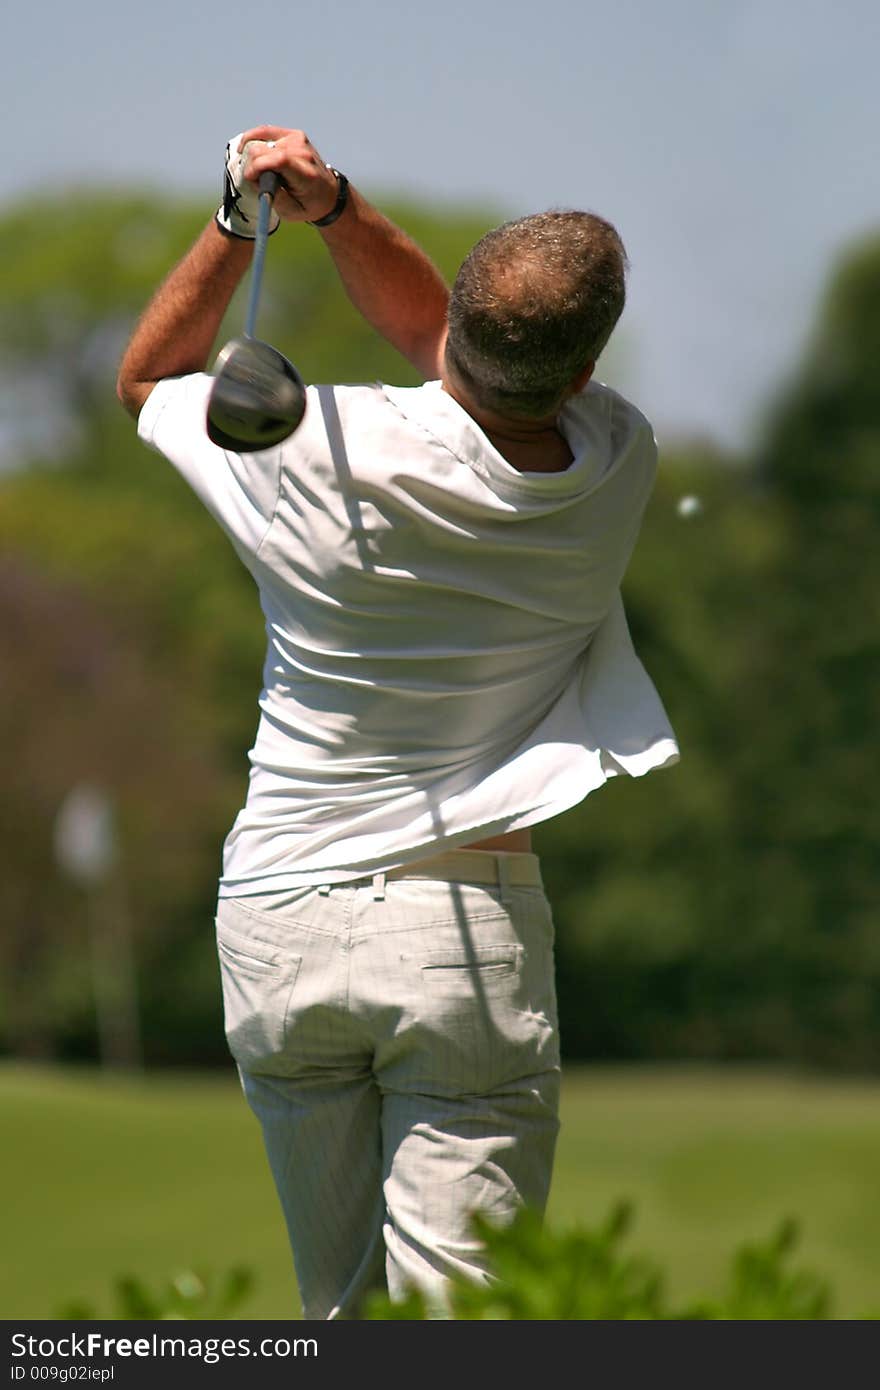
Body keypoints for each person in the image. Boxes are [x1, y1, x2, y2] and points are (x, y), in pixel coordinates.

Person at [117, 124, 679, 1320]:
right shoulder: (617, 458)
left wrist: (251, 220)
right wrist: (344, 217)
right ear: (582, 374)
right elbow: (459, 350)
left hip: (277, 916)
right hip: (464, 926)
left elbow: (148, 382)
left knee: (341, 1317)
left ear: (462, 332)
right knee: (462, 1329)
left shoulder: (318, 448)